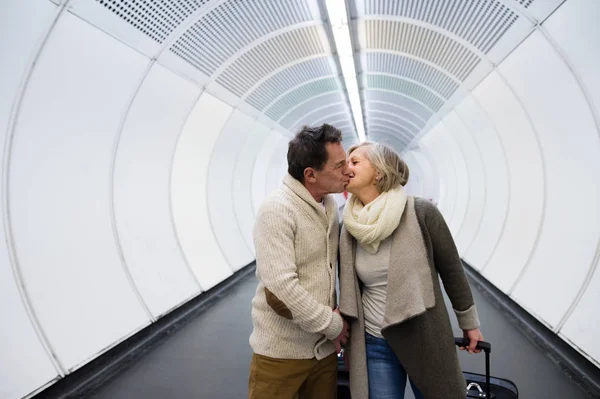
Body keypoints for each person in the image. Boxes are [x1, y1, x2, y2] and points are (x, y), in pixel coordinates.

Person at [338, 142, 484, 399]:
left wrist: (468, 323)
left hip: (423, 336)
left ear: (379, 172)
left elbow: (451, 269)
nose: (346, 167)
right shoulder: (348, 227)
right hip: (375, 340)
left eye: (355, 162)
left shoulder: (420, 212)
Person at [248, 124, 351, 399]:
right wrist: (332, 325)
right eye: (339, 166)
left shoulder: (328, 205)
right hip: (281, 356)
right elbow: (281, 288)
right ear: (310, 175)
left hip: (324, 353)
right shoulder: (277, 210)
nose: (348, 171)